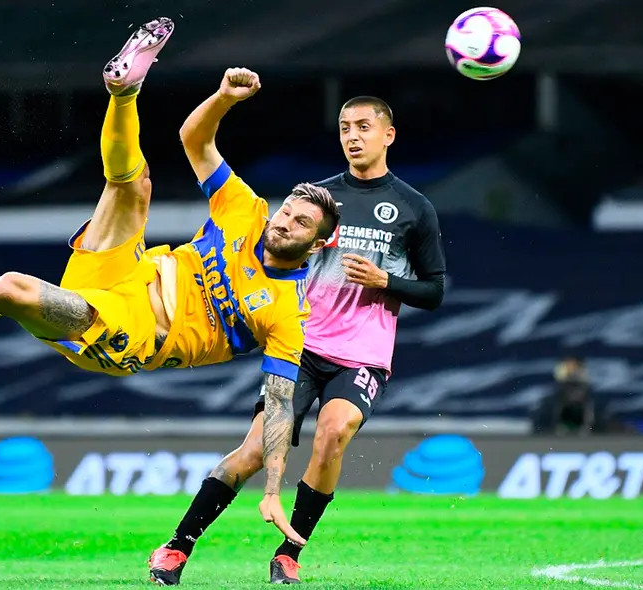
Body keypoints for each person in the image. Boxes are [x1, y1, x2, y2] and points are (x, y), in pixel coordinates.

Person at [0, 19, 339, 542]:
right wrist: (224, 98)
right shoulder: (245, 211)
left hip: (132, 334)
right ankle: (124, 90)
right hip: (124, 274)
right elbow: (193, 138)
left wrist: (273, 488)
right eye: (287, 210)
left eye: (300, 223)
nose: (283, 221)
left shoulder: (286, 311)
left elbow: (278, 405)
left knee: (8, 288)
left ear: (317, 245)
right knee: (134, 184)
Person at [148, 88, 447, 586]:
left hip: (363, 356)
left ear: (388, 135)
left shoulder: (415, 209)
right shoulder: (317, 200)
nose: (352, 136)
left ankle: (289, 552)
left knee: (333, 434)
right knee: (254, 452)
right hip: (301, 347)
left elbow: (435, 291)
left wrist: (386, 282)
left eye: (363, 127)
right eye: (345, 128)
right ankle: (178, 546)